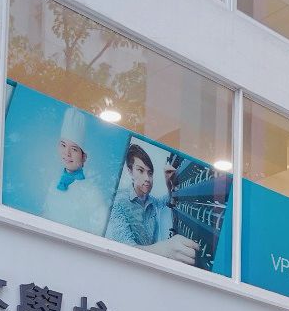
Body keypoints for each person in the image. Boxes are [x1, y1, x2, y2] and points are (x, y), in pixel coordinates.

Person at [106, 143, 199, 264]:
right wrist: (166, 249)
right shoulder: (117, 203)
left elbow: (167, 201)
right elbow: (126, 249)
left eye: (150, 173)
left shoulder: (150, 201)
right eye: (140, 170)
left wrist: (168, 182)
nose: (147, 178)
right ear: (130, 171)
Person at [41, 107, 109, 236]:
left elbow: (99, 231)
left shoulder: (92, 192)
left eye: (74, 149)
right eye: (63, 145)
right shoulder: (55, 184)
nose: (67, 153)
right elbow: (45, 216)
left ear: (84, 157)